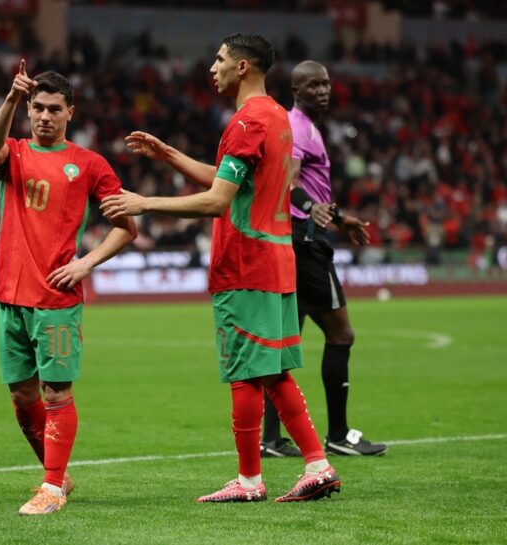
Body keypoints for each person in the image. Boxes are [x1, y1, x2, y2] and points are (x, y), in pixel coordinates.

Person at [101, 33, 340, 503]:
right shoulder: (276, 117)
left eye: (220, 59)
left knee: (245, 373)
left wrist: (143, 202)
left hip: (244, 264)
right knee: (272, 372)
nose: (213, 68)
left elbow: (217, 201)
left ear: (243, 66)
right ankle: (317, 465)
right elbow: (230, 180)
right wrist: (169, 155)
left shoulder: (246, 121)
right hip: (276, 260)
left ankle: (250, 480)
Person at [0, 61, 137, 515]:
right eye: (38, 108)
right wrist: (11, 97)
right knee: (21, 396)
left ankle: (50, 488)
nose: (44, 116)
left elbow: (126, 227)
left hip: (54, 297)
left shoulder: (89, 164)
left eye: (54, 109)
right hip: (8, 295)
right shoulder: (14, 153)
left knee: (55, 393)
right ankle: (58, 476)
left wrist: (85, 263)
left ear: (71, 112)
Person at [260, 60, 387, 458]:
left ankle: (270, 439)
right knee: (341, 335)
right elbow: (290, 179)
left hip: (296, 240)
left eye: (326, 84)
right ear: (295, 91)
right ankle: (338, 434)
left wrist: (339, 218)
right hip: (306, 244)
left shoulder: (306, 127)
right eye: (313, 85)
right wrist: (309, 207)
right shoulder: (298, 127)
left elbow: (308, 188)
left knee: (285, 345)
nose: (322, 90)